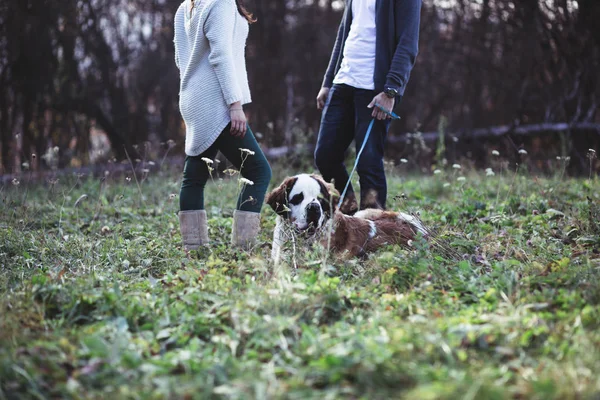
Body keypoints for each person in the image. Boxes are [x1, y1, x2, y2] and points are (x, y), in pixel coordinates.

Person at [173, 0, 272, 251]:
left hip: (193, 98)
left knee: (194, 176)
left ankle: (193, 249)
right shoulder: (221, 2)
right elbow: (220, 54)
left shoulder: (186, 7)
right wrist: (234, 104)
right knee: (258, 171)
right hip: (216, 101)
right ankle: (243, 248)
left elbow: (179, 58)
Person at [314, 0, 422, 213]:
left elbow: (408, 43)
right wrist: (328, 81)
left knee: (368, 164)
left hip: (376, 90)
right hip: (343, 82)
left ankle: (374, 229)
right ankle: (350, 215)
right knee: (325, 156)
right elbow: (344, 33)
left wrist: (391, 90)